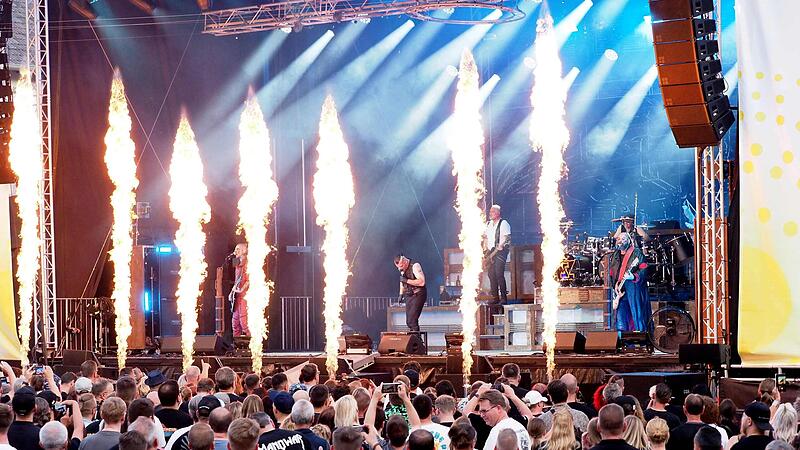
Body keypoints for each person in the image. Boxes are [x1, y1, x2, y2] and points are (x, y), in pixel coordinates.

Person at [608, 232, 650, 332]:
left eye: (623, 239)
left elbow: (644, 268)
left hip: (633, 290)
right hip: (620, 292)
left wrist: (634, 276)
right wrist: (614, 286)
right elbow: (611, 272)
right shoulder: (615, 255)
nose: (620, 241)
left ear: (629, 240)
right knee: (621, 320)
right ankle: (623, 343)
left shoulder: (636, 252)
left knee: (637, 317)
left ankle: (641, 342)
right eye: (618, 239)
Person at [484, 205, 511, 305]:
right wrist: (486, 250)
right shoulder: (488, 224)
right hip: (490, 251)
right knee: (491, 274)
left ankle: (503, 298)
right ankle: (495, 297)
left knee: (499, 273)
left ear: (498, 213)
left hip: (500, 251)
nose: (490, 213)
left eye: (493, 211)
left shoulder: (504, 223)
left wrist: (499, 247)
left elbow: (506, 238)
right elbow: (486, 237)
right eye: (490, 211)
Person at [394, 255, 427, 332]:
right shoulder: (402, 269)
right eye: (398, 267)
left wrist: (407, 281)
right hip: (409, 295)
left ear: (405, 262)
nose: (400, 269)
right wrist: (401, 294)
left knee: (412, 320)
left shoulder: (415, 266)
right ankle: (414, 339)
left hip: (418, 294)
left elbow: (422, 282)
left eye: (401, 266)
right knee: (409, 322)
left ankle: (417, 341)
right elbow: (402, 281)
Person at [230, 243, 251, 337]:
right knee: (235, 323)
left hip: (244, 295)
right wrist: (232, 292)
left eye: (238, 249)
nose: (236, 251)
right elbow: (236, 279)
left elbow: (249, 279)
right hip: (237, 296)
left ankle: (253, 345)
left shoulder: (249, 263)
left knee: (244, 323)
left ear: (244, 251)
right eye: (235, 249)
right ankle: (236, 345)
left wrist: (242, 289)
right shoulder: (237, 262)